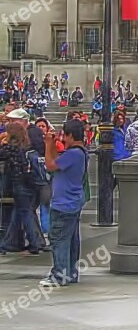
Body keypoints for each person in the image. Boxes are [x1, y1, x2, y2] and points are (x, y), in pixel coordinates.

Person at [40, 119, 87, 287]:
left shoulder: (73, 153)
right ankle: (70, 272)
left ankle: (59, 274)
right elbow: (56, 163)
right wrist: (53, 145)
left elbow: (50, 165)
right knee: (71, 239)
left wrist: (47, 145)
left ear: (71, 135)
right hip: (72, 201)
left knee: (59, 239)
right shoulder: (78, 153)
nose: (63, 138)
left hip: (64, 203)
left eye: (64, 135)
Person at [0, 120, 42, 255]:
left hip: (19, 184)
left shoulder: (10, 148)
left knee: (25, 213)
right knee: (18, 214)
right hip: (31, 184)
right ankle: (7, 243)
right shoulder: (27, 146)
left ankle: (34, 242)